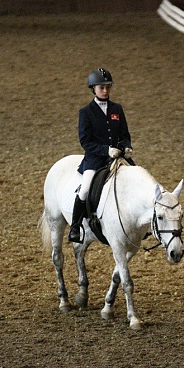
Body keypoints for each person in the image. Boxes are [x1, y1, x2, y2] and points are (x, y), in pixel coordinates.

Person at [68, 68, 135, 243]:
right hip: (95, 158)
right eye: (101, 88)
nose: (105, 91)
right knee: (85, 189)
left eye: (107, 87)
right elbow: (85, 142)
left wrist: (126, 147)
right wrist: (106, 150)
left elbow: (125, 134)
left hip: (118, 156)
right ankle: (75, 227)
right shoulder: (86, 112)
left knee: (137, 179)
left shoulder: (117, 109)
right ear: (93, 89)